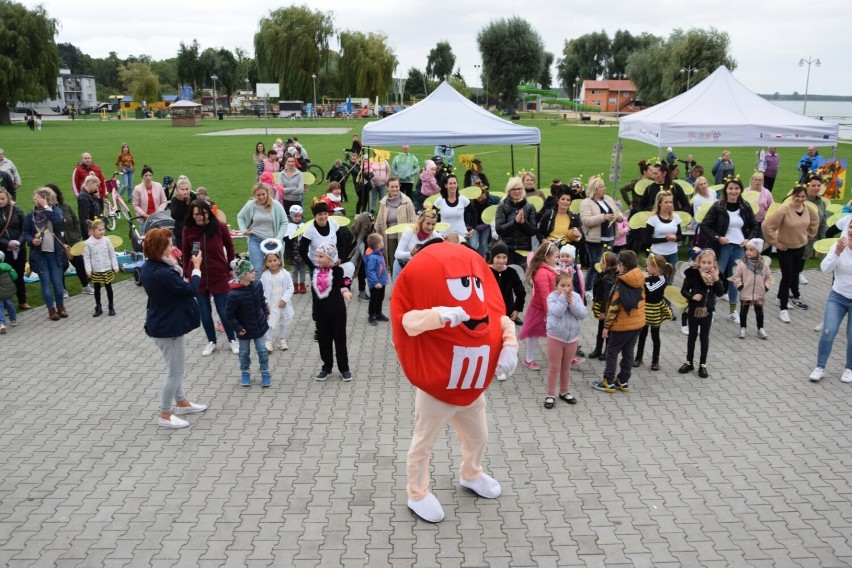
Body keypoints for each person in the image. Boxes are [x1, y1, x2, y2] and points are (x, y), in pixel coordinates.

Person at [391, 241, 518, 523]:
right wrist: (438, 315)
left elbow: (501, 321)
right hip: (438, 391)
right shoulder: (432, 307)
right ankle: (417, 493)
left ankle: (471, 473)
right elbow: (407, 321)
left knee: (478, 437)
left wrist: (510, 345)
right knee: (423, 444)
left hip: (472, 391)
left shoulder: (482, 303)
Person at [140, 227, 207, 429]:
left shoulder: (151, 267)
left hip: (162, 322)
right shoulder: (163, 273)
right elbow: (189, 290)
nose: (173, 247)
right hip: (168, 328)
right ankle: (165, 414)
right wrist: (197, 268)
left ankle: (182, 402)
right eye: (169, 244)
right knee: (175, 371)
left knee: (175, 367)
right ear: (161, 247)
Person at [182, 199, 238, 356]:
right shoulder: (188, 229)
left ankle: (232, 339)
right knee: (205, 313)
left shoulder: (219, 226)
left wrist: (230, 265)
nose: (200, 217)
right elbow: (186, 252)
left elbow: (230, 246)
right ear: (192, 215)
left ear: (209, 212)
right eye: (196, 214)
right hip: (198, 276)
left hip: (219, 274)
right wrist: (187, 272)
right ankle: (211, 341)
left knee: (223, 310)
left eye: (203, 213)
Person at [699, 177, 759, 325]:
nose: (733, 191)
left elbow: (754, 226)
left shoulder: (745, 206)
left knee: (735, 280)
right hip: (722, 248)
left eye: (736, 188)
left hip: (738, 248)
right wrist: (718, 237)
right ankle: (711, 310)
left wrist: (748, 239)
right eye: (730, 188)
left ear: (740, 190)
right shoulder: (718, 206)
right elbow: (705, 225)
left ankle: (733, 311)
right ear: (726, 190)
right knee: (714, 278)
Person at [761, 184, 819, 323]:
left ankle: (781, 297)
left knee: (794, 274)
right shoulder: (784, 210)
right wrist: (775, 242)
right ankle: (783, 309)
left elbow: (815, 222)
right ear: (792, 196)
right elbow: (767, 225)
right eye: (797, 196)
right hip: (785, 248)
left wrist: (808, 236)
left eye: (803, 196)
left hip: (800, 247)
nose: (800, 199)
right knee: (787, 276)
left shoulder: (808, 209)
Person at [592, 250, 646, 393]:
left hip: (622, 325)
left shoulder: (621, 282)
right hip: (637, 323)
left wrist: (606, 326)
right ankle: (623, 380)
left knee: (612, 351)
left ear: (622, 265)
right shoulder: (640, 278)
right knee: (628, 352)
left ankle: (608, 381)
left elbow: (614, 306)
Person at [810, 224, 852, 382]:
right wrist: (837, 252)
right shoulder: (839, 245)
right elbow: (824, 268)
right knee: (828, 331)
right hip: (838, 296)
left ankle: (849, 368)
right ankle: (820, 367)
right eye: (850, 227)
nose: (851, 231)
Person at [23, 187, 69, 320]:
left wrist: (46, 207)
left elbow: (58, 222)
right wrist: (32, 240)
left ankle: (60, 306)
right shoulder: (30, 215)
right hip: (40, 255)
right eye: (36, 199)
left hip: (56, 254)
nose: (37, 201)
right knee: (46, 283)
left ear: (47, 200)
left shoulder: (56, 211)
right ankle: (51, 309)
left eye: (41, 199)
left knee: (58, 283)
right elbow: (25, 233)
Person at [678, 249, 725, 378]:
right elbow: (683, 290)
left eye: (709, 262)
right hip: (694, 309)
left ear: (714, 263)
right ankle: (689, 362)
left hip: (707, 310)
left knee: (704, 337)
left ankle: (702, 364)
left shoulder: (716, 274)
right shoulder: (692, 273)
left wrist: (716, 279)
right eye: (703, 262)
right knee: (692, 336)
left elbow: (721, 293)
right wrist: (692, 296)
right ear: (699, 262)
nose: (706, 265)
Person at [543, 272, 588, 408]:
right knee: (554, 367)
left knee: (566, 366)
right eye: (562, 285)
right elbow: (556, 312)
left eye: (569, 285)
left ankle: (564, 392)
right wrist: (563, 299)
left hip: (572, 338)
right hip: (556, 337)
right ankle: (550, 394)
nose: (566, 288)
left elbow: (582, 314)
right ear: (556, 285)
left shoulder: (576, 297)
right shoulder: (552, 297)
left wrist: (572, 303)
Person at [226, 256, 271, 388]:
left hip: (258, 325)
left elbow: (262, 300)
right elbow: (230, 315)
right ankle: (245, 372)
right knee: (244, 352)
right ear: (242, 275)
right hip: (244, 329)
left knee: (262, 350)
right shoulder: (233, 295)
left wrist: (266, 312)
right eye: (250, 272)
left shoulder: (257, 284)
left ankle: (265, 372)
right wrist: (238, 327)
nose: (254, 273)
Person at [312, 243, 353, 381]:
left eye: (321, 256)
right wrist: (315, 313)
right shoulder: (315, 272)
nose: (318, 259)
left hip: (337, 312)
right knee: (324, 340)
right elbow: (314, 295)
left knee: (340, 340)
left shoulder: (337, 271)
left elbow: (343, 284)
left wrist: (346, 291)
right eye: (317, 256)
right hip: (321, 313)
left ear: (330, 258)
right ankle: (326, 367)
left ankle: (344, 369)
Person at [519, 241, 559, 371]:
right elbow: (545, 295)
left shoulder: (551, 270)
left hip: (550, 308)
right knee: (534, 334)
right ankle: (528, 359)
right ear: (547, 258)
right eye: (556, 257)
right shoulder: (542, 272)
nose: (557, 259)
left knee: (558, 333)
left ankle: (566, 356)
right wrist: (550, 312)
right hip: (541, 309)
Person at [580, 176, 623, 291]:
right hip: (595, 240)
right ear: (594, 189)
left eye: (603, 186)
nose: (604, 189)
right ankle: (588, 289)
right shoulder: (586, 202)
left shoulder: (608, 199)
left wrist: (618, 218)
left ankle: (602, 287)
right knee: (595, 266)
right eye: (601, 187)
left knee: (608, 266)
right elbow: (586, 221)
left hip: (610, 237)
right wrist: (603, 217)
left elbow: (619, 213)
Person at [50, 183, 91, 296]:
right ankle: (62, 289)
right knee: (62, 266)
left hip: (73, 241)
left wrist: (77, 235)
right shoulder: (48, 211)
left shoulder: (66, 207)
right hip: (58, 244)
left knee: (80, 263)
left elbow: (75, 222)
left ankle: (86, 286)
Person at [633, 253, 673, 371]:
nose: (646, 269)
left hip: (655, 310)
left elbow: (651, 290)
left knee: (655, 336)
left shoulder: (662, 280)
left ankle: (655, 360)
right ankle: (638, 357)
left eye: (648, 267)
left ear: (656, 268)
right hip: (645, 308)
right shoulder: (649, 277)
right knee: (642, 334)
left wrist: (643, 279)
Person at [237, 182, 288, 271]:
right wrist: (244, 230)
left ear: (267, 193)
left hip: (272, 241)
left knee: (274, 268)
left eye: (263, 194)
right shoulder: (250, 205)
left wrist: (278, 238)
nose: (261, 197)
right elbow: (240, 216)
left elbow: (284, 222)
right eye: (258, 195)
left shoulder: (275, 204)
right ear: (255, 195)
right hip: (255, 239)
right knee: (256, 269)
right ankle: (257, 284)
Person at [732, 238, 772, 339]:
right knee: (744, 311)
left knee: (759, 311)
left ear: (758, 251)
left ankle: (760, 329)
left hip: (759, 293)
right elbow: (736, 277)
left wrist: (766, 287)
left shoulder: (764, 265)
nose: (748, 252)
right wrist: (740, 285)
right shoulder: (742, 264)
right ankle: (743, 328)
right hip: (745, 292)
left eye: (751, 250)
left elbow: (768, 277)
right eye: (747, 249)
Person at [495, 177, 538, 267]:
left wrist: (523, 223)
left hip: (524, 250)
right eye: (514, 189)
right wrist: (515, 222)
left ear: (523, 190)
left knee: (522, 277)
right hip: (506, 249)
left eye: (519, 189)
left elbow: (533, 231)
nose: (517, 191)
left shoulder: (530, 207)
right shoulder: (502, 206)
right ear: (509, 191)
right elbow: (499, 229)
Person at [374, 177, 416, 269]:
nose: (395, 189)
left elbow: (413, 219)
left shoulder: (407, 201)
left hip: (405, 238)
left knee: (407, 264)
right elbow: (380, 221)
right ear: (387, 188)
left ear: (399, 186)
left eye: (396, 186)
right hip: (390, 238)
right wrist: (377, 237)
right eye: (392, 187)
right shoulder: (383, 203)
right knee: (394, 265)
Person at [83, 219, 119, 317]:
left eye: (103, 229)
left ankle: (111, 306)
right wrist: (88, 269)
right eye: (99, 230)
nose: (102, 231)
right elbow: (86, 257)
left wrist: (115, 266)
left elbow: (112, 254)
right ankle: (98, 307)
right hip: (96, 270)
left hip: (106, 268)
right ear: (93, 231)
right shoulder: (88, 243)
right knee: (97, 289)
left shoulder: (107, 240)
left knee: (108, 287)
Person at [587, 251, 619, 360]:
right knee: (600, 329)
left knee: (607, 330)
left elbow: (606, 295)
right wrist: (594, 301)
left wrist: (602, 311)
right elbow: (597, 290)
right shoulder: (602, 274)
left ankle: (607, 351)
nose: (600, 263)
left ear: (608, 265)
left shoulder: (609, 278)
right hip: (600, 304)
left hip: (606, 307)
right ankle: (598, 349)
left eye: (602, 262)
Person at [260, 250, 294, 351]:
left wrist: (284, 299)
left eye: (275, 260)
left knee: (282, 321)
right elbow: (262, 290)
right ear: (266, 263)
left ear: (279, 261)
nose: (273, 263)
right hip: (271, 302)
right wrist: (265, 302)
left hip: (282, 302)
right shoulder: (265, 275)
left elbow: (290, 287)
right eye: (269, 261)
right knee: (270, 321)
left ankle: (282, 339)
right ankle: (269, 341)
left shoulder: (285, 274)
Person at [0, 188, 28, 309]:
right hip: (3, 251)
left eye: (2, 198)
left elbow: (25, 228)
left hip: (19, 249)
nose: (0, 201)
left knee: (19, 275)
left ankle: (22, 300)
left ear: (8, 198)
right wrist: (7, 243)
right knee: (4, 277)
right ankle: (7, 304)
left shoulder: (17, 210)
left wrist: (19, 241)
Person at [394, 209, 442, 278]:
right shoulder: (409, 232)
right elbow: (397, 254)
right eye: (428, 223)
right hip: (402, 265)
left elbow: (444, 245)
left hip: (418, 267)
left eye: (433, 224)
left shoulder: (434, 234)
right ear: (421, 222)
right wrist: (411, 253)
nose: (430, 227)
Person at [644, 190, 683, 272]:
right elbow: (647, 240)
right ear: (659, 203)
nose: (669, 205)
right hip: (658, 255)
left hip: (673, 254)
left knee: (670, 279)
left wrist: (675, 238)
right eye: (666, 202)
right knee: (657, 278)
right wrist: (665, 239)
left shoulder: (676, 218)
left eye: (670, 202)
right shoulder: (653, 219)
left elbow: (680, 236)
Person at [489, 242, 526, 327]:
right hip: (490, 310)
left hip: (507, 310)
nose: (501, 261)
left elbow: (521, 292)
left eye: (504, 257)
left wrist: (517, 309)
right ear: (493, 257)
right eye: (498, 257)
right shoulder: (487, 271)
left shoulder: (511, 272)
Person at [801, 173, 829, 282]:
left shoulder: (821, 202)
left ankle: (799, 272)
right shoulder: (802, 199)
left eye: (818, 185)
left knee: (806, 253)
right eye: (813, 185)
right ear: (807, 186)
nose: (816, 188)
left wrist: (823, 239)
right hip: (798, 235)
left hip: (812, 235)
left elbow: (823, 222)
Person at [434, 174, 471, 242]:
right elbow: (432, 216)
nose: (453, 185)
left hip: (461, 236)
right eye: (450, 183)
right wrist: (435, 231)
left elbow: (473, 213)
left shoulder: (463, 199)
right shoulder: (439, 201)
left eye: (454, 183)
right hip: (444, 237)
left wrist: (473, 228)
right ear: (446, 185)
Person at [468, 185, 501, 258]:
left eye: (482, 194)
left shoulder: (489, 199)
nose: (479, 197)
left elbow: (500, 201)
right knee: (473, 244)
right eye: (477, 195)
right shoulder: (470, 202)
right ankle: (473, 259)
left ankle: (483, 259)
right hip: (474, 227)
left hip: (485, 226)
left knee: (483, 244)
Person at [363, 233, 389, 325]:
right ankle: (371, 315)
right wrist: (375, 282)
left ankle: (378, 313)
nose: (383, 242)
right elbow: (370, 271)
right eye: (382, 241)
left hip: (382, 281)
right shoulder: (372, 257)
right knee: (374, 299)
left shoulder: (379, 253)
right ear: (378, 245)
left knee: (380, 298)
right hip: (375, 283)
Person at [284, 205, 307, 294]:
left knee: (302, 270)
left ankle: (302, 284)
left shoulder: (304, 225)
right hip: (293, 253)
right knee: (294, 270)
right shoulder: (288, 226)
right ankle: (294, 284)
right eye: (295, 216)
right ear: (291, 216)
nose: (297, 218)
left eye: (299, 216)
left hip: (302, 253)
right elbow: (286, 238)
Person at [169, 176, 197, 248]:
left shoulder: (195, 199)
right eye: (182, 189)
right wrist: (180, 201)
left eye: (187, 189)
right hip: (180, 235)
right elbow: (175, 215)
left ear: (190, 188)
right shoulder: (175, 200)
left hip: (194, 233)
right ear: (177, 190)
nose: (185, 192)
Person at [0, 251, 17, 333]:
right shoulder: (8, 267)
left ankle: (2, 323)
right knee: (10, 304)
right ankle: (13, 320)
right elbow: (15, 277)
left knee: (0, 307)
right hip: (8, 291)